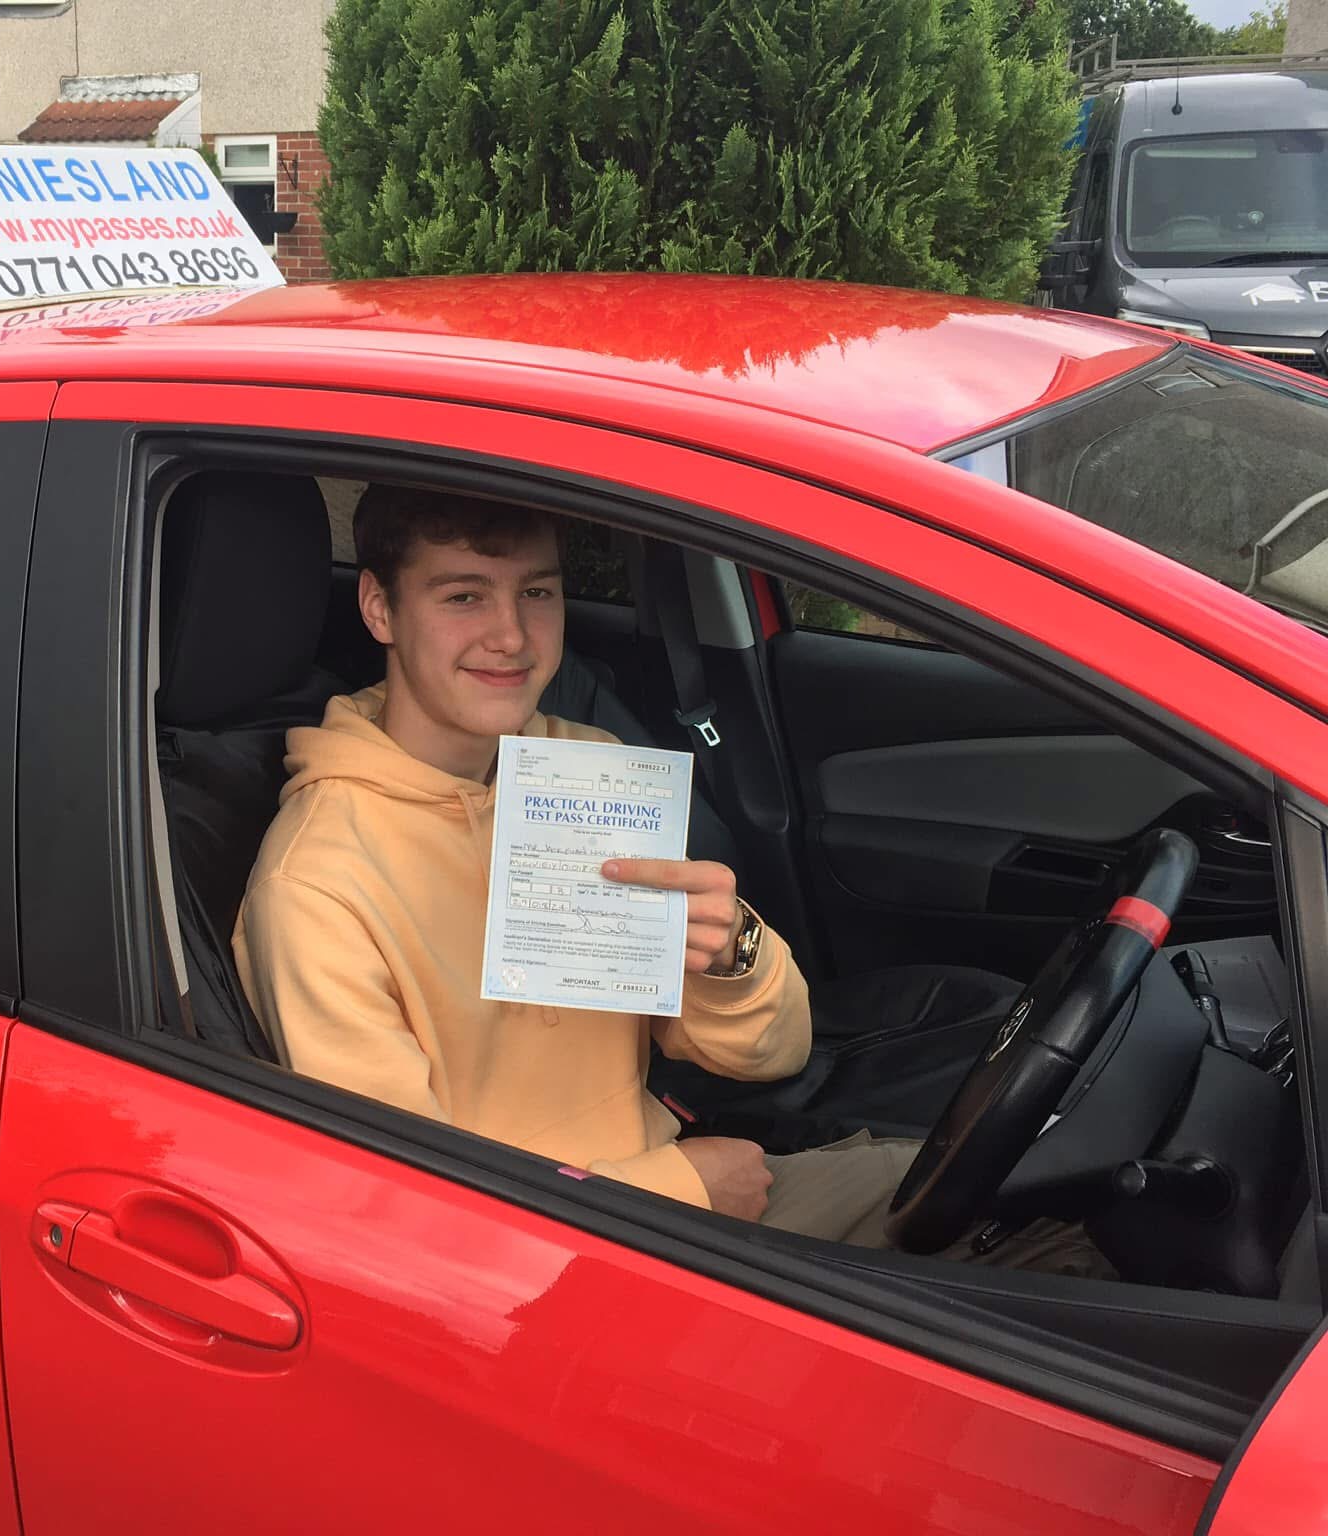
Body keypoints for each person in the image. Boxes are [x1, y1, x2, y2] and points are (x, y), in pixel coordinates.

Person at [232, 484, 1097, 1267]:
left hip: (666, 1193)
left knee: (1047, 1193)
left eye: (537, 592)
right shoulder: (317, 882)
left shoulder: (589, 772)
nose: (511, 636)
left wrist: (732, 957)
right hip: (556, 1264)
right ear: (379, 609)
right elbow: (402, 1223)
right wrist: (679, 1192)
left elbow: (771, 1054)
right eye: (463, 596)